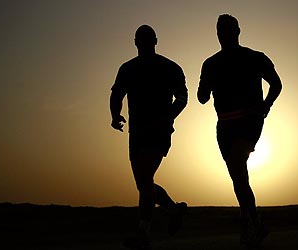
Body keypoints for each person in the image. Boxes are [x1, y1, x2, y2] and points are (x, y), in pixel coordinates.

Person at [197, 14, 282, 249]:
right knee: (239, 177)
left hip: (249, 122)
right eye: (220, 30)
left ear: (237, 31)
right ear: (217, 34)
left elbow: (276, 83)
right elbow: (202, 98)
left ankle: (254, 223)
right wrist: (208, 83)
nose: (222, 33)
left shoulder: (255, 57)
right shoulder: (210, 63)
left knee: (236, 166)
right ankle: (249, 223)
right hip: (224, 124)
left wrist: (265, 106)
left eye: (226, 29)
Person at [110, 25, 188, 250]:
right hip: (137, 133)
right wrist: (115, 116)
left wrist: (166, 118)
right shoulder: (128, 69)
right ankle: (173, 210)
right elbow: (117, 94)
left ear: (154, 41)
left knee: (144, 180)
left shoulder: (170, 68)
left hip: (159, 133)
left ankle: (143, 232)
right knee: (144, 182)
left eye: (146, 40)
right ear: (136, 43)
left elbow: (182, 98)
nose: (143, 44)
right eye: (141, 40)